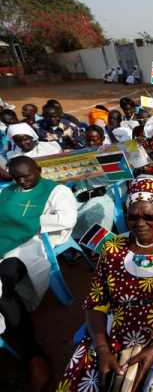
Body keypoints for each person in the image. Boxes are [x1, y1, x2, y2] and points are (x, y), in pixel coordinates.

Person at [58, 176, 153, 392]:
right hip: (113, 334)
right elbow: (96, 302)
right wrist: (103, 349)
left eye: (149, 216)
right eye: (132, 217)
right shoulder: (113, 247)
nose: (140, 223)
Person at [0, 157, 77, 390]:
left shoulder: (57, 191)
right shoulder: (7, 191)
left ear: (39, 170)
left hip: (32, 243)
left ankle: (34, 355)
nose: (22, 182)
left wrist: (34, 219)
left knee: (6, 276)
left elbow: (68, 218)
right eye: (16, 177)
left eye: (27, 176)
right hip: (5, 242)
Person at [70, 125, 116, 239]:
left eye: (94, 140)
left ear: (102, 139)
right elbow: (79, 179)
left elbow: (119, 181)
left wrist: (96, 192)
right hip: (85, 193)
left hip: (107, 193)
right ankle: (75, 240)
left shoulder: (111, 155)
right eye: (88, 140)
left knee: (94, 212)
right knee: (67, 209)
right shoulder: (81, 155)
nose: (91, 144)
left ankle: (99, 244)